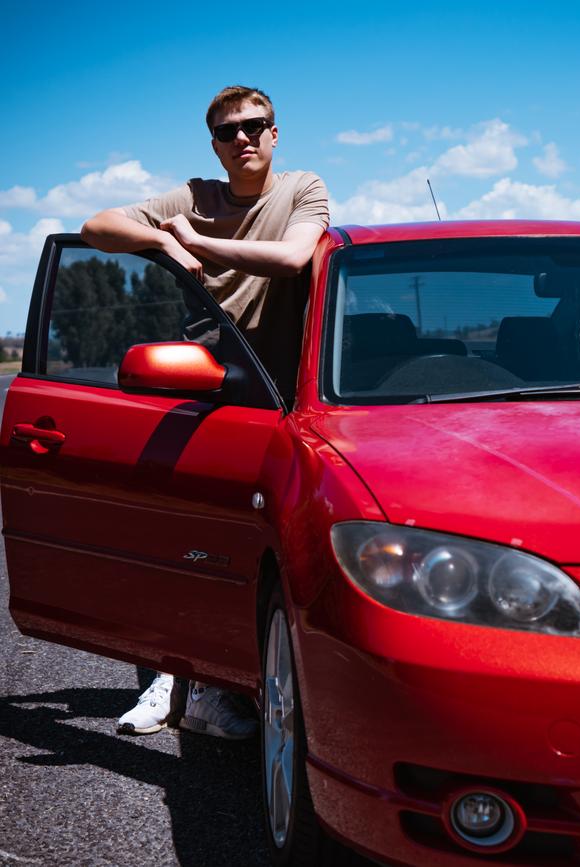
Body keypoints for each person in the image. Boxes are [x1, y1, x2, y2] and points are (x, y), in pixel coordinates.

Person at [81, 85, 329, 737]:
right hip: (205, 389)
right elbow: (95, 227)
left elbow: (295, 257)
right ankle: (178, 677)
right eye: (228, 131)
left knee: (247, 549)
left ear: (276, 132)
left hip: (284, 398)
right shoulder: (194, 198)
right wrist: (168, 243)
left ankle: (217, 674)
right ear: (214, 145)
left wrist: (201, 244)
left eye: (255, 125)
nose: (243, 138)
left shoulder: (303, 188)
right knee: (189, 541)